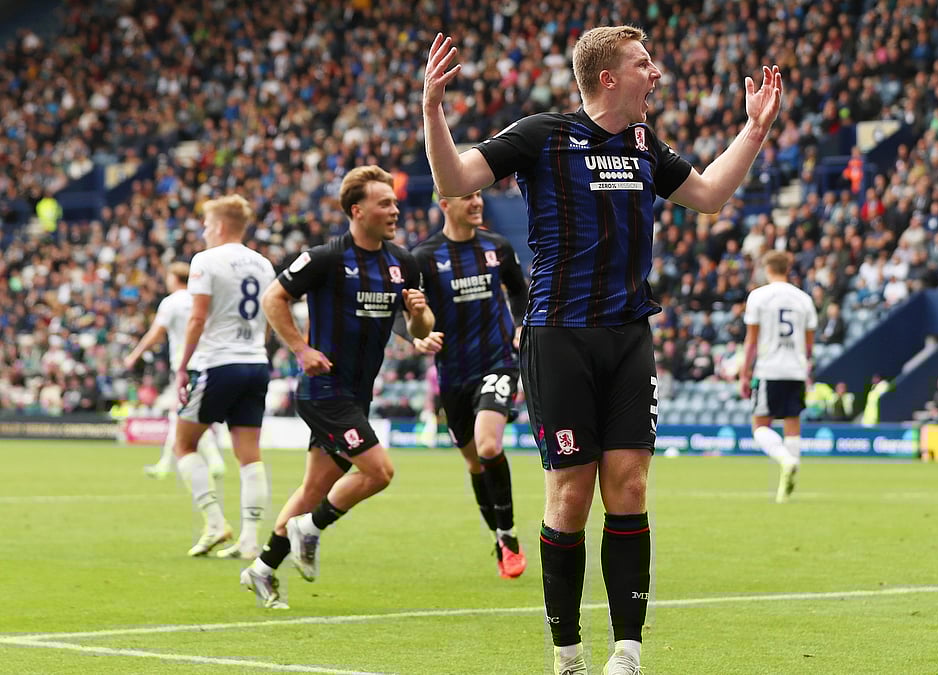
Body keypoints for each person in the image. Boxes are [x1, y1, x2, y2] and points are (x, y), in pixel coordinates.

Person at [423, 26, 782, 675]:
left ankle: (628, 650)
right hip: (559, 335)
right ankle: (568, 654)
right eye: (644, 63)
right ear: (609, 77)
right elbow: (454, 177)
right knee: (570, 498)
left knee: (631, 485)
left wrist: (754, 131)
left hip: (628, 334)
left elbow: (708, 195)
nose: (657, 73)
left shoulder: (644, 144)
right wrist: (432, 110)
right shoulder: (543, 135)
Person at [240, 166, 433, 610]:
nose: (395, 210)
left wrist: (421, 314)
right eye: (384, 203)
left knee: (312, 490)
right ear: (357, 210)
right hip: (323, 390)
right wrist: (300, 348)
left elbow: (418, 327)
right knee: (379, 472)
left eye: (395, 202)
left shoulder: (404, 263)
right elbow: (273, 298)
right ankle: (310, 527)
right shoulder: (325, 258)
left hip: (357, 395)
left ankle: (262, 569)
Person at [406, 190, 529, 578]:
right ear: (444, 204)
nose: (477, 203)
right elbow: (408, 315)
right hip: (453, 374)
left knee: (489, 445)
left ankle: (509, 535)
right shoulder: (424, 258)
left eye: (478, 195)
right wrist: (418, 335)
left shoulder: (497, 247)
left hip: (497, 362)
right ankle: (499, 536)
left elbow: (519, 291)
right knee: (474, 462)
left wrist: (521, 326)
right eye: (467, 197)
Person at [173, 195, 278, 561]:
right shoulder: (263, 263)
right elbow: (270, 314)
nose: (204, 232)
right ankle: (250, 540)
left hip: (218, 363)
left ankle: (215, 522)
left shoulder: (205, 260)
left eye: (206, 225)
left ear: (218, 226)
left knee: (184, 444)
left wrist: (182, 366)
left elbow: (197, 318)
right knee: (249, 454)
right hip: (255, 363)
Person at [122, 261, 228, 480]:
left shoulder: (171, 302)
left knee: (184, 416)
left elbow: (155, 333)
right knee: (185, 416)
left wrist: (135, 355)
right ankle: (171, 464)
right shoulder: (201, 299)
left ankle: (210, 461)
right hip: (208, 362)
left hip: (186, 366)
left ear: (175, 278)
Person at [738, 251, 818, 503]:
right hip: (796, 369)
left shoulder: (758, 296)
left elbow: (751, 340)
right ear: (788, 268)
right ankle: (787, 486)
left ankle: (786, 460)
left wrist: (744, 373)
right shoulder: (804, 299)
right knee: (792, 423)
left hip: (769, 369)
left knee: (760, 426)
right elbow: (809, 345)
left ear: (767, 269)